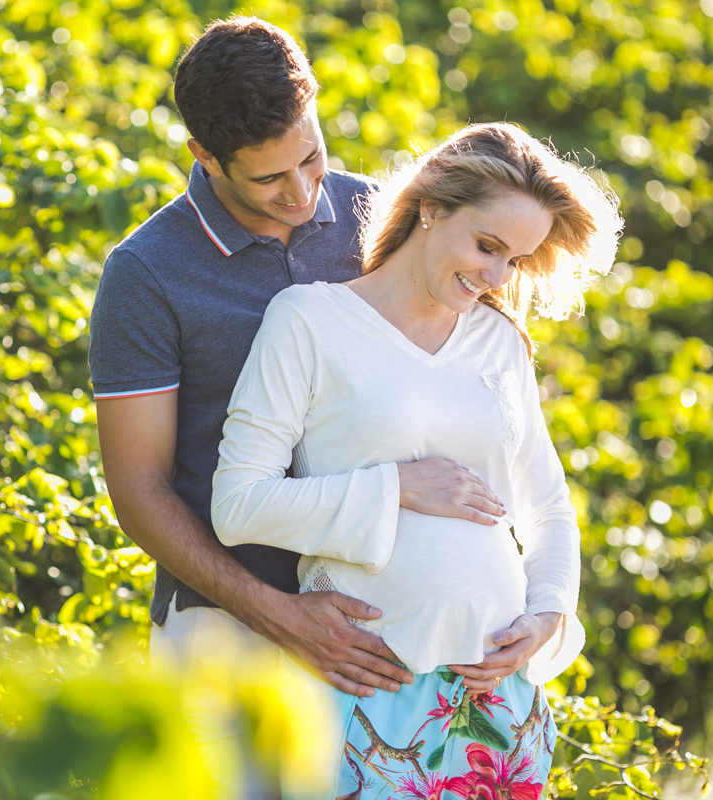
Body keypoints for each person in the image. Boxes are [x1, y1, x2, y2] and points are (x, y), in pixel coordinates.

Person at [210, 122, 623, 798]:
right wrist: (396, 487)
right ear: (431, 207)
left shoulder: (499, 341)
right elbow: (238, 503)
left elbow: (547, 505)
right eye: (487, 246)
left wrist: (549, 612)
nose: (495, 276)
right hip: (370, 694)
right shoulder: (310, 321)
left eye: (515, 261)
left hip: (496, 703)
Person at [88, 16, 445, 796]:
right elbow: (139, 490)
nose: (302, 192)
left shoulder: (383, 218)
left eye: (312, 156)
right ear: (205, 157)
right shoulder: (144, 274)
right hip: (221, 636)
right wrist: (276, 613)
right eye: (268, 178)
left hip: (381, 622)